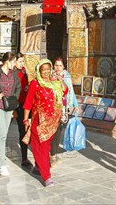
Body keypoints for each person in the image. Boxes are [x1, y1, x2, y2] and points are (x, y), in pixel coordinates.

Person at [23, 59, 67, 187]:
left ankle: (38, 167)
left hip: (52, 122)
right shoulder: (35, 84)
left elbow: (65, 91)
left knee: (46, 147)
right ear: (39, 71)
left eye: (48, 69)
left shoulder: (53, 83)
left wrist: (59, 78)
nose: (46, 72)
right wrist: (26, 119)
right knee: (41, 148)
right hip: (39, 121)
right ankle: (46, 177)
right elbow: (28, 103)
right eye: (44, 70)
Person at [50, 57, 78, 167]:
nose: (57, 68)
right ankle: (52, 153)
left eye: (60, 65)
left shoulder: (66, 76)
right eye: (56, 65)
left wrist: (75, 104)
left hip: (64, 106)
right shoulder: (50, 76)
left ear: (64, 67)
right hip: (53, 106)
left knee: (60, 128)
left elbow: (70, 91)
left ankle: (54, 152)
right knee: (54, 129)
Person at [14, 53, 33, 167]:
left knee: (30, 129)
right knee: (23, 130)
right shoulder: (12, 74)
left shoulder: (24, 71)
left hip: (28, 104)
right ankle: (24, 157)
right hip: (19, 105)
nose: (22, 64)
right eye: (20, 61)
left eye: (22, 61)